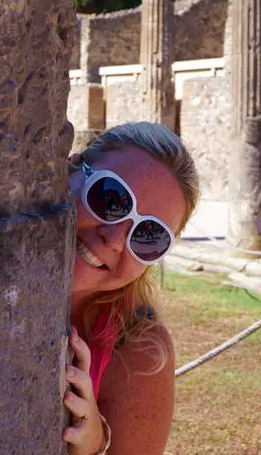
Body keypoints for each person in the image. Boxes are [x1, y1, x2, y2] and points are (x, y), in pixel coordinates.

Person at [63, 122, 200, 455]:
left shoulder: (140, 350)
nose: (114, 239)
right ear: (70, 169)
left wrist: (96, 444)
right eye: (111, 198)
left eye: (147, 235)